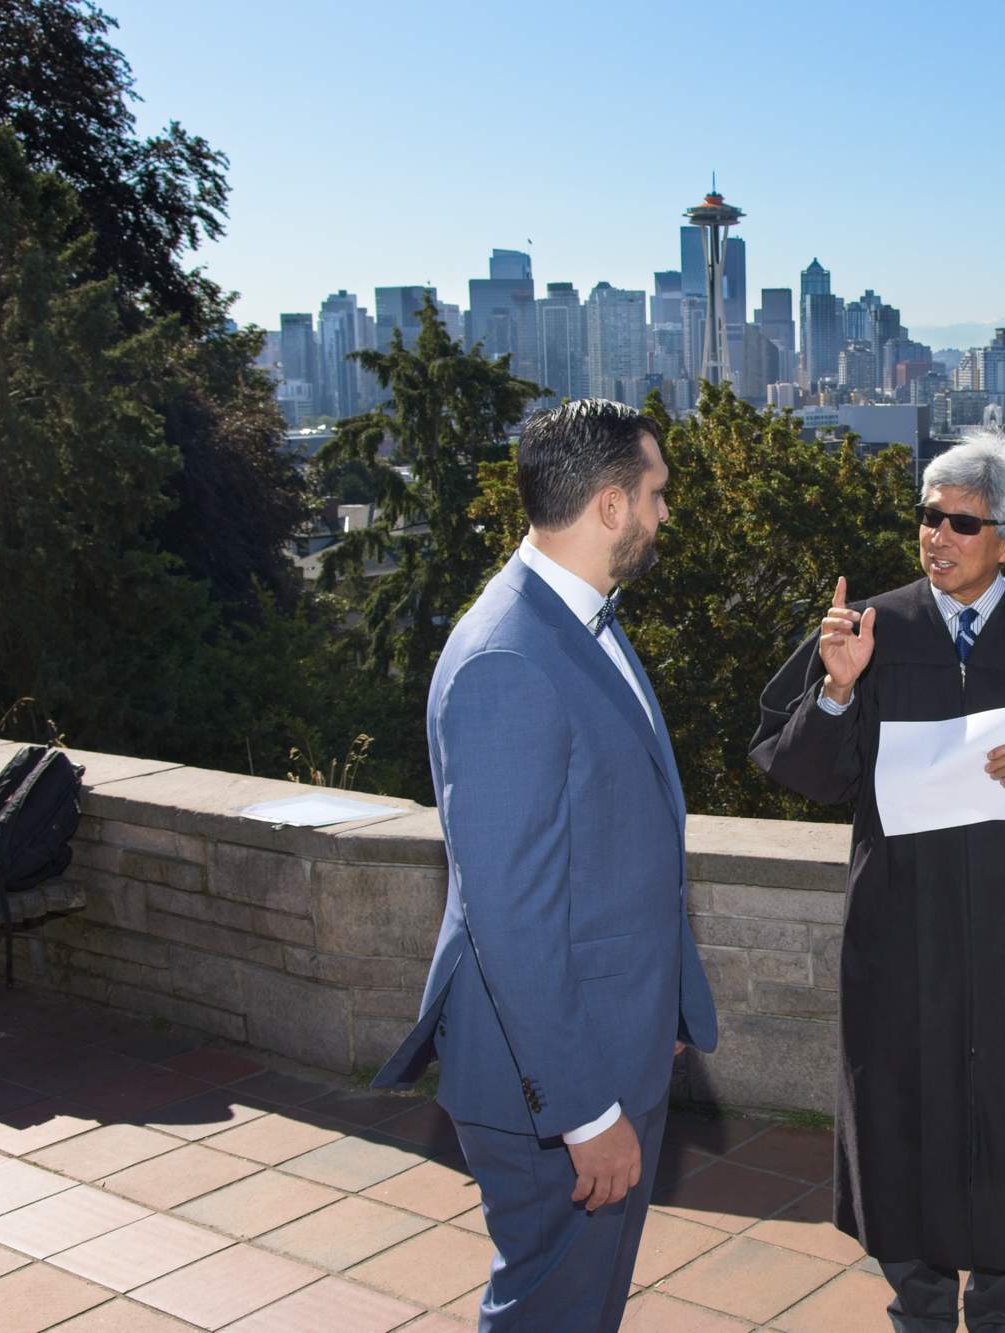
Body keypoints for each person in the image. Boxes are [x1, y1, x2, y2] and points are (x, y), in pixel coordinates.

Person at [750, 435, 1005, 1333]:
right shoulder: (868, 630)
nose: (936, 536)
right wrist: (835, 693)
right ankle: (922, 1311)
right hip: (909, 939)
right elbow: (801, 770)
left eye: (960, 522)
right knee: (910, 1124)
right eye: (927, 517)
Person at [374, 400, 718, 1331]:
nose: (662, 515)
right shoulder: (508, 660)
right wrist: (582, 1111)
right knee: (549, 1315)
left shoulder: (576, 620)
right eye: (655, 494)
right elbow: (511, 921)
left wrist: (666, 1010)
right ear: (609, 505)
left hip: (615, 1045)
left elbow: (620, 842)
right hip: (558, 1089)